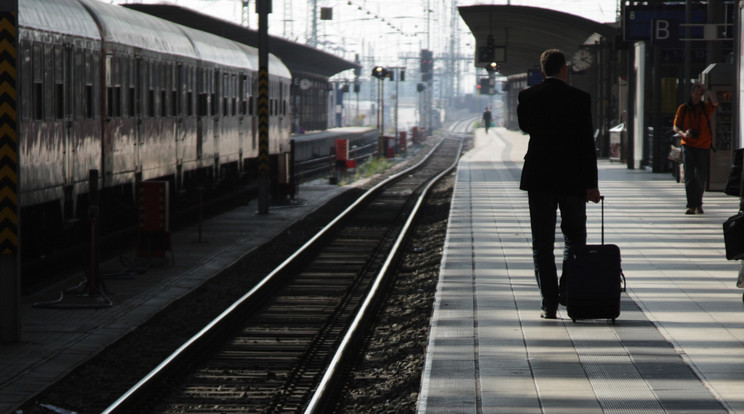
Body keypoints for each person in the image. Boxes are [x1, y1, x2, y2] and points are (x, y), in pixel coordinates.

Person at [517, 49, 601, 319]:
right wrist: (591, 185)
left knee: (542, 243)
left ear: (542, 71)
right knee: (575, 238)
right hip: (573, 179)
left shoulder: (528, 96)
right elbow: (587, 145)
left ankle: (549, 303)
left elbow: (524, 127)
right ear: (565, 69)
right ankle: (568, 291)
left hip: (540, 178)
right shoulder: (580, 99)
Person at [672, 82, 718, 215]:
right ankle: (691, 205)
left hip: (703, 145)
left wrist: (707, 89)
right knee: (689, 176)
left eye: (700, 94)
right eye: (696, 93)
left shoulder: (705, 107)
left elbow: (715, 102)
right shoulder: (683, 108)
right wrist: (683, 134)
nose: (698, 96)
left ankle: (698, 202)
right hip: (688, 145)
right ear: (691, 93)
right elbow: (676, 126)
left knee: (701, 176)